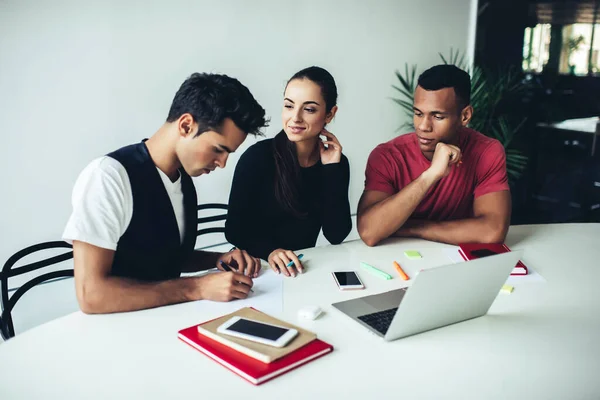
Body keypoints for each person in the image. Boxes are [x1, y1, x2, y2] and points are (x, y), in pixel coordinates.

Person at [62, 73, 269, 314]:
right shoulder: (108, 177)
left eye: (228, 154)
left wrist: (217, 259)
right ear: (186, 125)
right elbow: (92, 295)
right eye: (218, 149)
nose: (222, 163)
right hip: (116, 330)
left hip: (168, 320)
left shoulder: (183, 180)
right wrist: (198, 287)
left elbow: (164, 258)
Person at [357, 64, 511, 246]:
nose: (423, 126)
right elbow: (369, 232)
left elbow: (492, 232)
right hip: (397, 261)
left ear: (465, 116)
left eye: (437, 116)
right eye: (418, 113)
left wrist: (411, 228)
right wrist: (430, 175)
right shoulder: (387, 156)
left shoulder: (487, 152)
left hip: (455, 262)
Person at [225, 66, 352, 277]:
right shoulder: (257, 158)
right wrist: (271, 252)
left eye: (309, 109)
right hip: (258, 270)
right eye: (289, 106)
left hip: (301, 270)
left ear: (330, 114)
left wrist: (332, 170)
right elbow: (234, 231)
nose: (295, 118)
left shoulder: (336, 163)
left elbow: (336, 234)